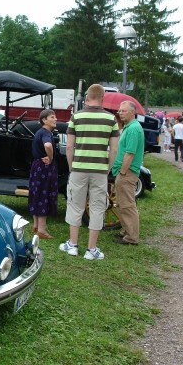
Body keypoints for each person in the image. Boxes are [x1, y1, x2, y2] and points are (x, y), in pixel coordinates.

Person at [59, 84, 119, 260]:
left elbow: (69, 146)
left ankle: (72, 244)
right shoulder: (111, 119)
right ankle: (91, 249)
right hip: (100, 170)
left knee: (75, 205)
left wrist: (72, 167)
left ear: (87, 97)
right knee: (97, 207)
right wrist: (106, 169)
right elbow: (114, 150)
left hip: (78, 168)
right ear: (102, 98)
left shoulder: (76, 116)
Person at [111, 101, 144, 245]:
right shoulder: (128, 127)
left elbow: (130, 154)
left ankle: (132, 237)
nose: (120, 112)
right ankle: (126, 231)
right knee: (121, 204)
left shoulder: (133, 129)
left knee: (127, 205)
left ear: (132, 112)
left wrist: (123, 172)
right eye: (119, 110)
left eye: (123, 110)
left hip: (127, 172)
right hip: (124, 171)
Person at [28, 109, 58, 239]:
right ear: (44, 120)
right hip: (44, 167)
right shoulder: (46, 133)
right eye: (52, 117)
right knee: (43, 195)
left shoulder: (39, 132)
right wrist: (50, 158)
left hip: (36, 165)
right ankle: (41, 230)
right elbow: (48, 145)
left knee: (36, 193)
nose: (55, 119)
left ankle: (35, 225)